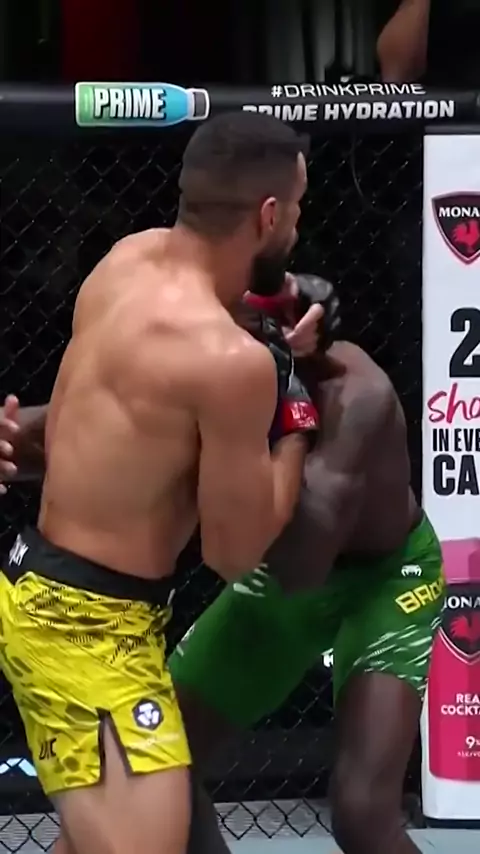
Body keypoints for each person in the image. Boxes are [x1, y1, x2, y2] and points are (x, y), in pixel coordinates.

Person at [1, 276, 444, 854]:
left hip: (385, 580)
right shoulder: (207, 376)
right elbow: (77, 430)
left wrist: (271, 431)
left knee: (363, 814)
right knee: (162, 762)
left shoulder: (356, 397)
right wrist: (13, 439)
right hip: (279, 570)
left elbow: (299, 565)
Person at [0, 112, 322, 854]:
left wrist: (269, 332)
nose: (300, 227)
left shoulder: (127, 260)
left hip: (53, 592)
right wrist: (295, 421)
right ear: (268, 215)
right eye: (298, 209)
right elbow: (234, 553)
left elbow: (101, 429)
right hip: (87, 629)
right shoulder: (230, 365)